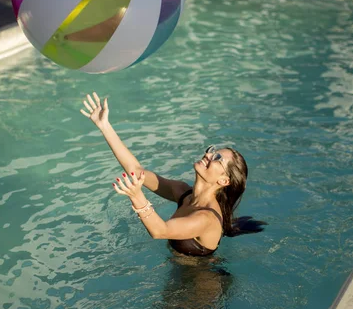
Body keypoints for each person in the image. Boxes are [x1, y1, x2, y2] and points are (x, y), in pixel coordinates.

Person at [80, 92, 265, 257]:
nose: (208, 154)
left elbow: (160, 231)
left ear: (224, 180)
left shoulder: (206, 218)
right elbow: (136, 171)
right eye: (212, 150)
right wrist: (104, 126)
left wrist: (137, 196)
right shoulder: (182, 192)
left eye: (217, 157)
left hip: (202, 286)